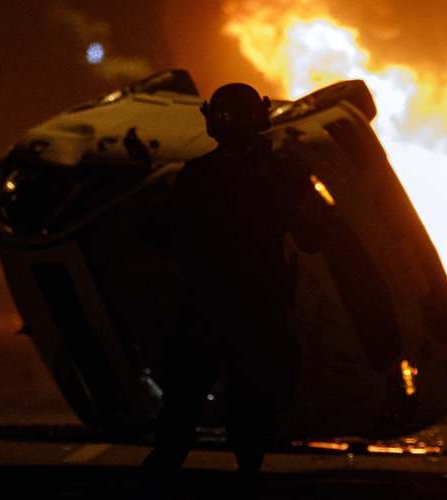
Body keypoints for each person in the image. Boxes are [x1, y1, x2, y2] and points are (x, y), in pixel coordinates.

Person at [139, 83, 327, 499]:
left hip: (244, 302)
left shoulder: (272, 173)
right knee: (203, 393)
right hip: (219, 302)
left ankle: (225, 468)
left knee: (240, 394)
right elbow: (171, 233)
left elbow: (309, 236)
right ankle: (209, 467)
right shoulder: (213, 175)